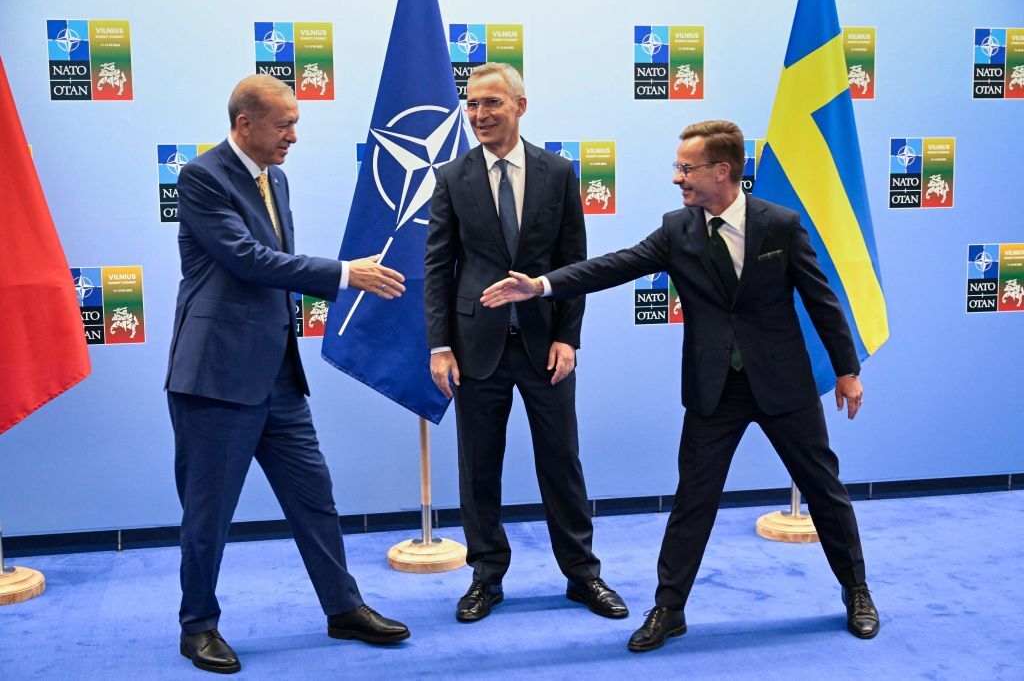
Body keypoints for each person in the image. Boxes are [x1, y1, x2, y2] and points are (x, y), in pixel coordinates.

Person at [481, 119, 880, 651]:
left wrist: (847, 370)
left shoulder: (779, 224)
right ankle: (669, 609)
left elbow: (820, 299)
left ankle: (857, 590)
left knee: (825, 491)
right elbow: (613, 266)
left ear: (723, 170)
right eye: (678, 168)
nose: (678, 178)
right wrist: (543, 285)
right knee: (693, 502)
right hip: (714, 390)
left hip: (783, 384)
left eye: (686, 168)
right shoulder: (677, 229)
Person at [165, 74, 410, 674]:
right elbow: (248, 261)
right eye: (284, 125)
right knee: (208, 514)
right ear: (245, 124)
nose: (294, 136)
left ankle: (343, 608)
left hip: (277, 376)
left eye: (295, 123)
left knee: (315, 500)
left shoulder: (276, 178)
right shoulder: (201, 177)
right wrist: (345, 275)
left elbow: (274, 270)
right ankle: (198, 626)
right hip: (216, 377)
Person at [424, 62, 627, 622]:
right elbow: (438, 267)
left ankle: (583, 575)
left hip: (544, 347)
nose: (480, 115)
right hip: (475, 348)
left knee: (561, 461)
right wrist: (439, 345)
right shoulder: (450, 177)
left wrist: (568, 337)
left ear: (520, 105)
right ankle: (486, 577)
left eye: (492, 103)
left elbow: (574, 265)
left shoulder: (559, 173)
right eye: (472, 105)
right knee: (478, 466)